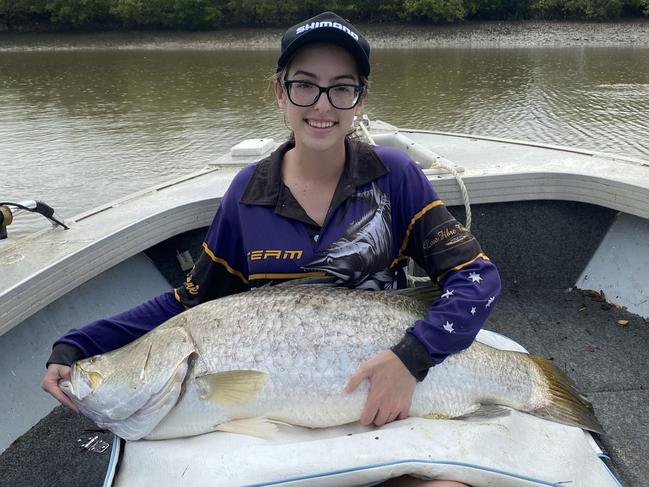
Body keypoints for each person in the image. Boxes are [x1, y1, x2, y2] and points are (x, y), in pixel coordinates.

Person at [42, 11, 500, 487]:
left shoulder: (395, 175)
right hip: (288, 415)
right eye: (305, 85)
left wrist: (411, 359)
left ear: (360, 99)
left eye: (342, 87)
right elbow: (191, 302)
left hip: (395, 383)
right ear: (280, 92)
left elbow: (476, 279)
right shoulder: (247, 194)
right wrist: (80, 343)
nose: (322, 104)